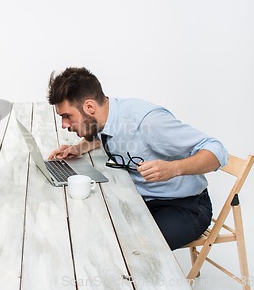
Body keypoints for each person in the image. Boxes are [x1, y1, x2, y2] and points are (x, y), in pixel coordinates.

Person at [47, 67, 228, 250]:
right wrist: (78, 148)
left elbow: (217, 150)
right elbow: (101, 135)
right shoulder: (105, 116)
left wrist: (173, 168)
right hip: (141, 200)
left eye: (67, 116)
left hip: (186, 206)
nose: (64, 125)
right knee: (90, 228)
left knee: (136, 251)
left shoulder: (148, 122)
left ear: (89, 107)